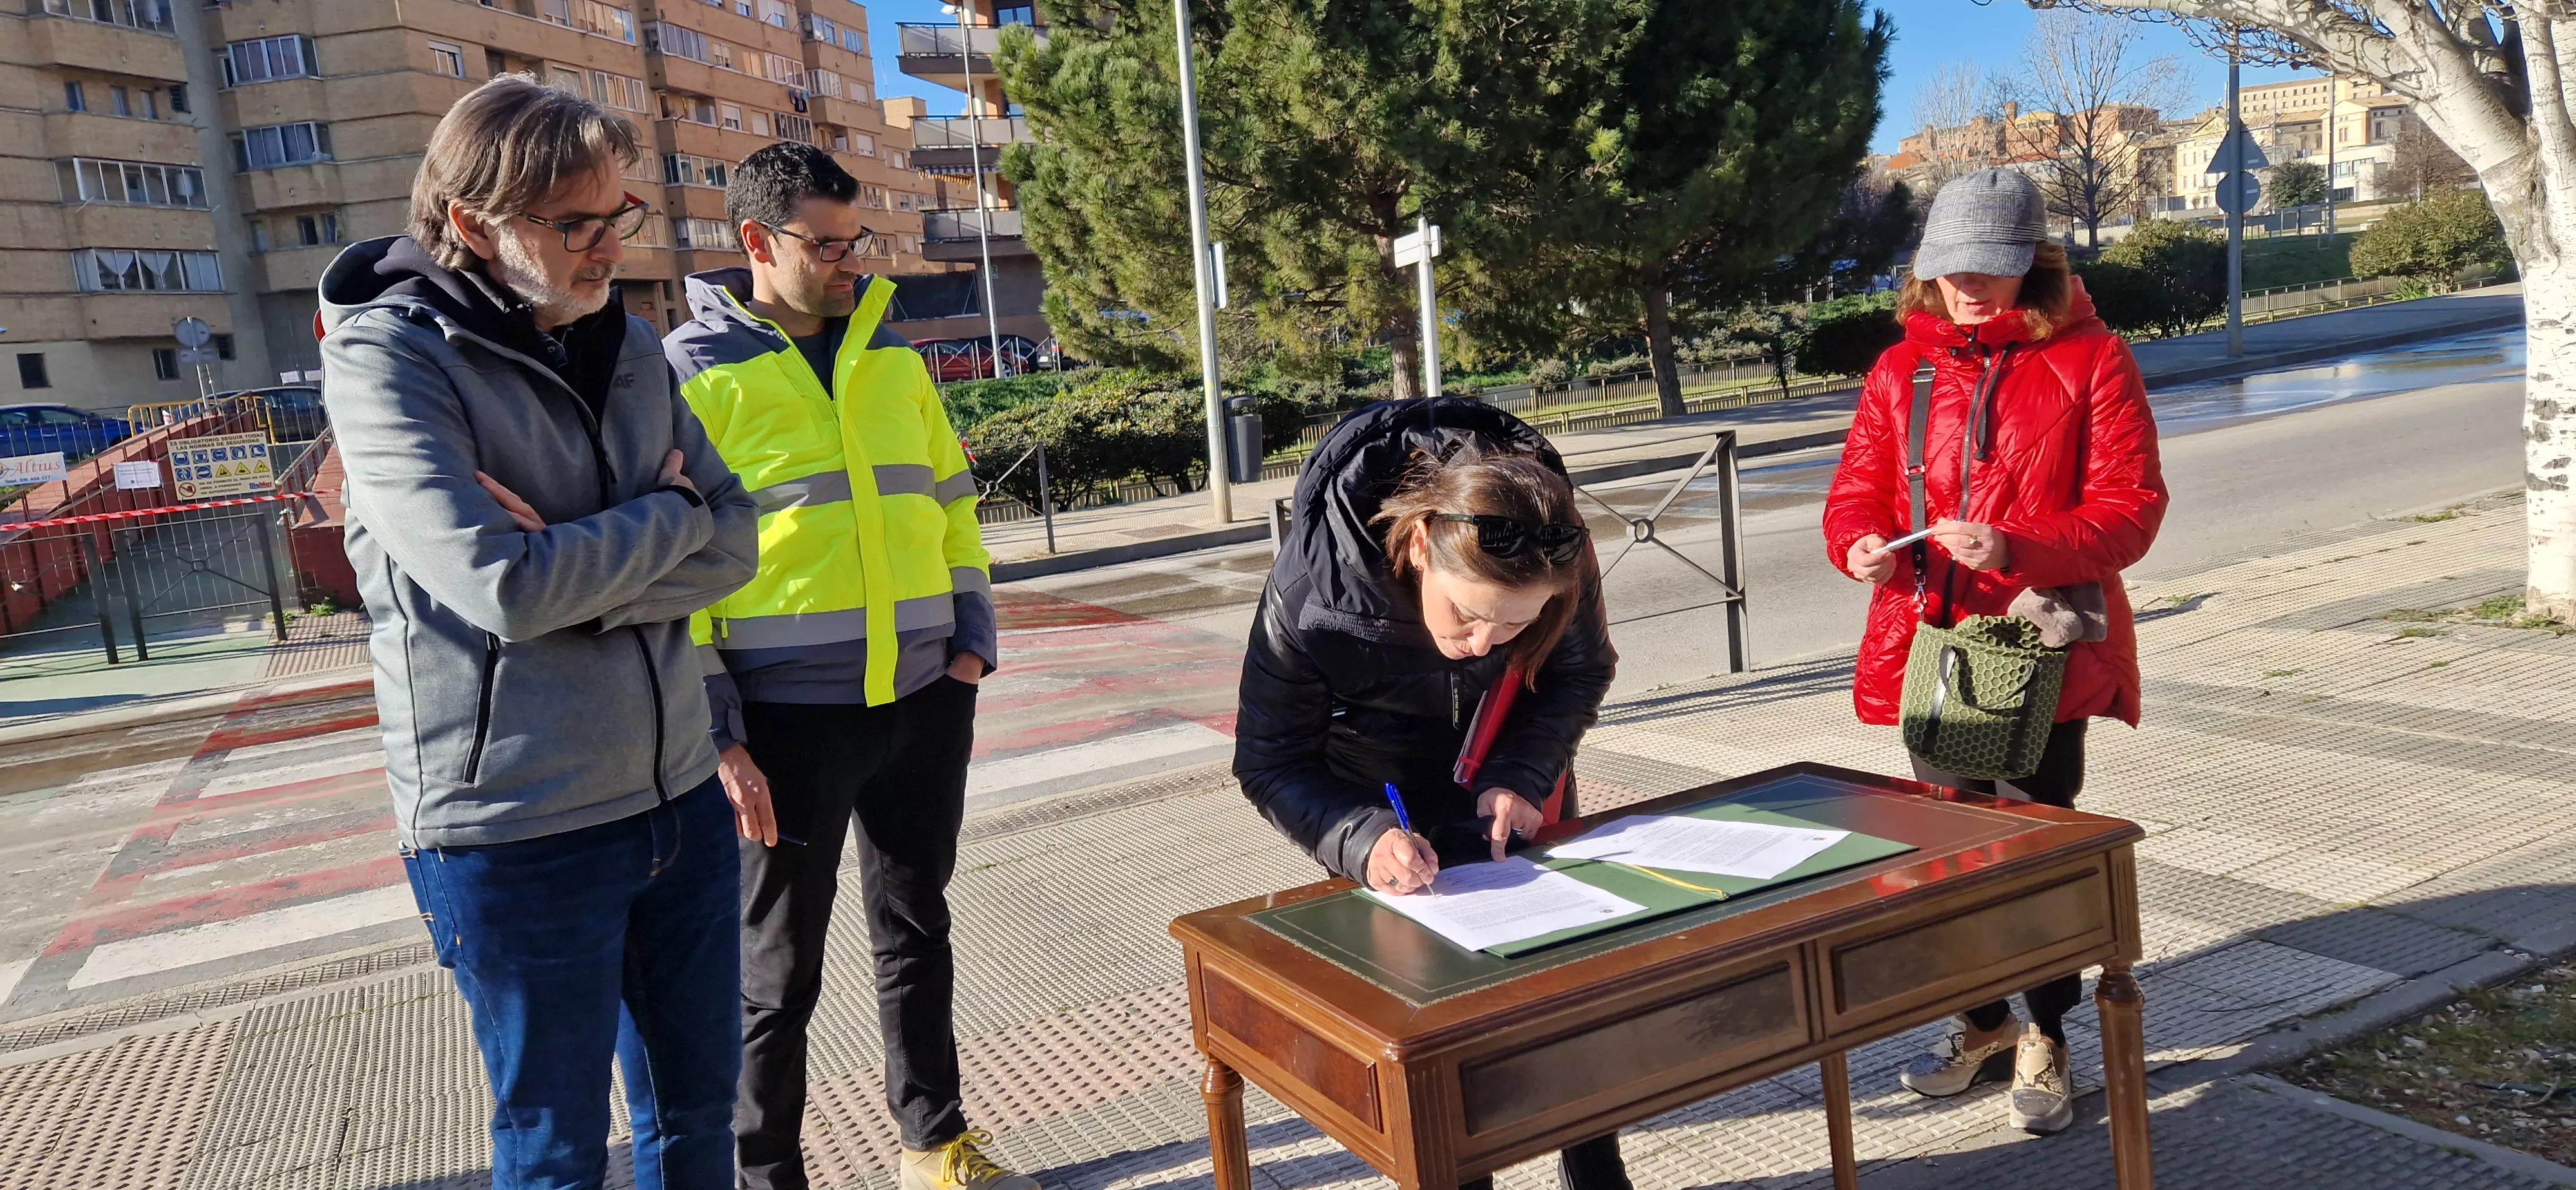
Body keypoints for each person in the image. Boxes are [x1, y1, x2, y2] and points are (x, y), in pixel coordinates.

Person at [320, 76, 760, 1188]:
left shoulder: (635, 345)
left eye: (619, 215)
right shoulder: (389, 359)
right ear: (474, 224)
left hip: (678, 798)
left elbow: (737, 543)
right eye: (575, 224)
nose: (610, 247)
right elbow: (504, 588)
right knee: (557, 1151)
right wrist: (668, 517)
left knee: (698, 1119)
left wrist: (590, 566)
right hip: (516, 829)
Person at [661, 143, 1010, 1190]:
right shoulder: (690, 372)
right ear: (757, 241)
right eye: (826, 244)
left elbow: (949, 495)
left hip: (925, 697)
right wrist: (719, 728)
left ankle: (933, 1146)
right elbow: (675, 564)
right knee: (777, 972)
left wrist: (971, 634)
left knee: (917, 927)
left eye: (856, 241)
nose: (849, 261)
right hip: (785, 718)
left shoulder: (891, 357)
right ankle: (768, 1176)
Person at [1822, 168, 2167, 1137]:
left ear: (2032, 264)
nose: (1968, 285)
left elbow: (2132, 510)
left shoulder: (2094, 357)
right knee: (1942, 853)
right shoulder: (1901, 370)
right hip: (1930, 644)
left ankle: (2047, 1032)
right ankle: (1982, 1022)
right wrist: (1855, 545)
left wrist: (2018, 545)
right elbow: (1857, 492)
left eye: (1989, 266)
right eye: (1949, 267)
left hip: (2039, 650)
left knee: (2033, 857)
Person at [1235, 397, 1631, 1190]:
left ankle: (1595, 1167)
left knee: (1566, 992)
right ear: (1419, 543)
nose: (1481, 643)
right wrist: (1360, 839)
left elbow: (1579, 671)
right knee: (1435, 1032)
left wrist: (1524, 773)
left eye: (1513, 627)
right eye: (1468, 614)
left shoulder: (1555, 545)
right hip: (1377, 806)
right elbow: (1269, 760)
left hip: (1510, 779)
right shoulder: (1313, 592)